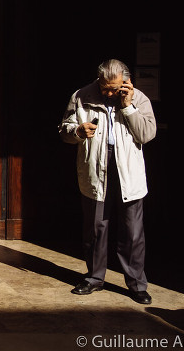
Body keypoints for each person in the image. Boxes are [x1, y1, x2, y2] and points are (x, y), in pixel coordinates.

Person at [58, 59, 157, 304]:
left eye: (115, 89)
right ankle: (94, 278)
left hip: (128, 174)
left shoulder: (139, 98)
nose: (110, 93)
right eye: (105, 88)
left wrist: (128, 106)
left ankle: (136, 284)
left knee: (133, 233)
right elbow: (64, 130)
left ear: (126, 82)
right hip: (96, 171)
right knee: (95, 229)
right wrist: (77, 131)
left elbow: (146, 134)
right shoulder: (81, 96)